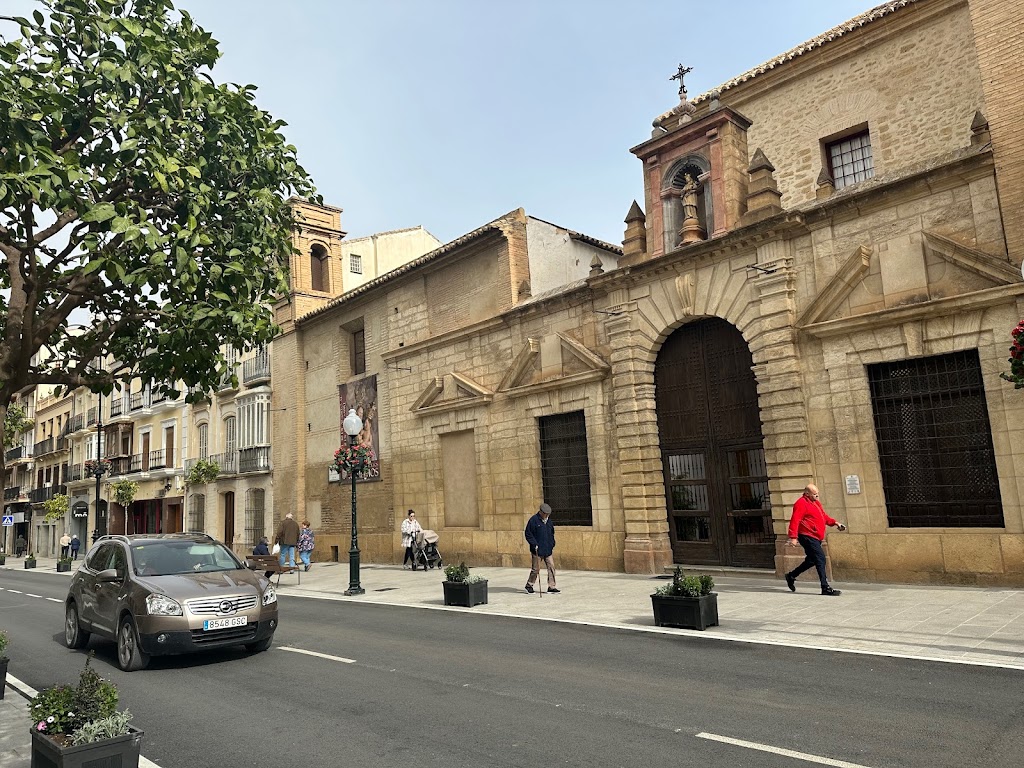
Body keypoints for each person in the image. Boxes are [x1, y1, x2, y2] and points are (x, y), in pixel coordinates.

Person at [784, 483, 847, 596]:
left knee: (812, 560)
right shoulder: (801, 503)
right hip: (807, 535)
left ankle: (791, 575)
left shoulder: (816, 503)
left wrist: (835, 523)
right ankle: (825, 587)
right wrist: (793, 537)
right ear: (807, 494)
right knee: (820, 558)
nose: (817, 496)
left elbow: (823, 516)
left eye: (817, 493)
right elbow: (795, 520)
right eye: (814, 494)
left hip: (816, 536)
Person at [524, 502, 559, 594]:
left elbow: (552, 533)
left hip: (548, 549)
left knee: (551, 567)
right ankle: (529, 585)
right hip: (537, 550)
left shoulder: (549, 522)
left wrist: (552, 543)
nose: (547, 516)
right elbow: (528, 534)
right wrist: (534, 544)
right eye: (545, 514)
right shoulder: (533, 520)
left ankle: (551, 586)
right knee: (536, 569)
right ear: (541, 512)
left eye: (548, 514)